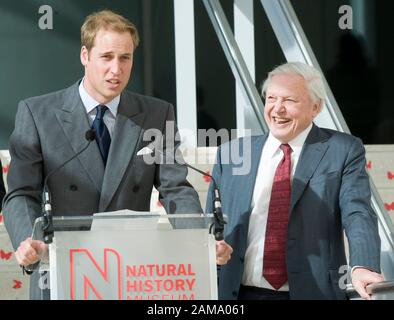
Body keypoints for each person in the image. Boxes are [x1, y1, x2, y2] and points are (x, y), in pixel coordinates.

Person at [3, 10, 232, 300]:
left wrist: (201, 241)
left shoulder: (157, 114)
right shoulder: (38, 113)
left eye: (125, 58)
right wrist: (30, 241)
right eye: (107, 57)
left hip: (128, 273)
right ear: (85, 56)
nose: (116, 69)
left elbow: (176, 190)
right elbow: (22, 193)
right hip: (61, 270)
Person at [206, 62, 383, 300]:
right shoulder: (232, 154)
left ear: (315, 107)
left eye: (289, 100)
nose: (277, 109)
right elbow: (209, 223)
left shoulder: (343, 150)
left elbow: (358, 212)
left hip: (313, 292)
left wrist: (363, 265)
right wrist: (211, 248)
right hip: (237, 293)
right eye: (271, 98)